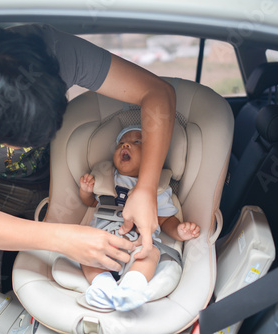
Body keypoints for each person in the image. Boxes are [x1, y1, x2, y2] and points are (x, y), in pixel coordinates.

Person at [0, 24, 176, 333]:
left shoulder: (59, 51)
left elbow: (157, 92)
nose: (21, 149)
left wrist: (145, 188)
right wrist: (63, 238)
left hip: (60, 180)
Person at [79, 126, 200, 311]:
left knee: (151, 254)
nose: (126, 144)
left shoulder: (158, 188)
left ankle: (132, 287)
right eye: (121, 143)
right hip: (103, 241)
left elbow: (165, 220)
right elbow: (93, 204)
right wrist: (86, 192)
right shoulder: (105, 179)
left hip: (139, 244)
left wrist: (179, 231)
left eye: (137, 141)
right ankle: (102, 286)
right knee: (85, 253)